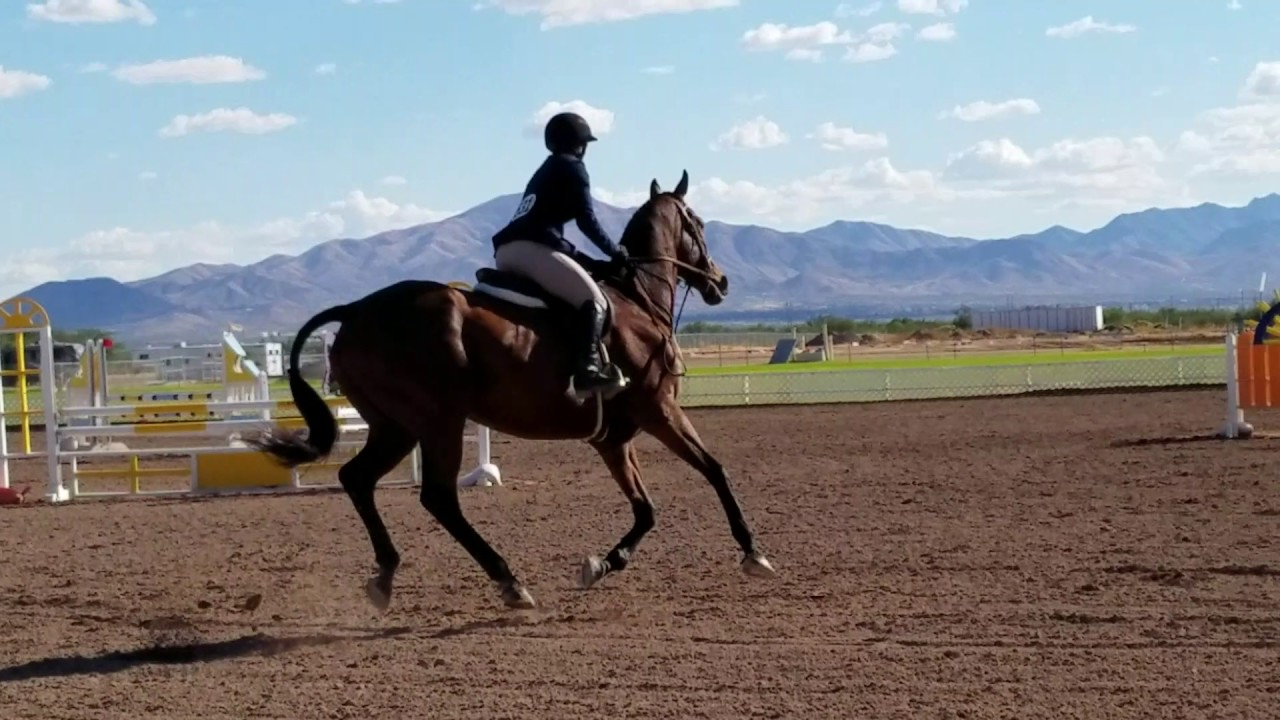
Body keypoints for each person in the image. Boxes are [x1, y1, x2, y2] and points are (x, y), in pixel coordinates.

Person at [491, 111, 631, 398]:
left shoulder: (546, 169)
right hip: (531, 250)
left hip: (508, 251)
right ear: (580, 144)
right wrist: (615, 252)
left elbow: (553, 239)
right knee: (594, 301)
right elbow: (587, 221)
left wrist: (593, 263)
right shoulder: (573, 168)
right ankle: (587, 371)